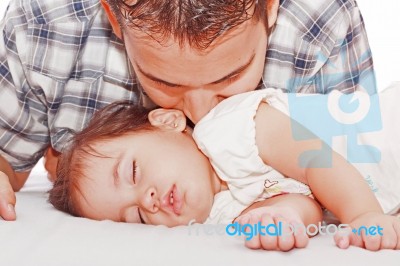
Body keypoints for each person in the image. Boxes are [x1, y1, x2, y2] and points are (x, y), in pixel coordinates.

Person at [0, 0, 376, 221]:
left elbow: (361, 174)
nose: (201, 113)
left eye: (232, 75)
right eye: (165, 83)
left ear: (270, 6)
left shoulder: (321, 16)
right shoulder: (43, 23)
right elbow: (7, 162)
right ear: (113, 16)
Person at [49, 84, 400, 251]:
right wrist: (281, 219)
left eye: (135, 173)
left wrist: (363, 216)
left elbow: (314, 162)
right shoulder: (219, 218)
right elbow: (306, 202)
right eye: (137, 216)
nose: (149, 201)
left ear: (169, 121)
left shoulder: (227, 129)